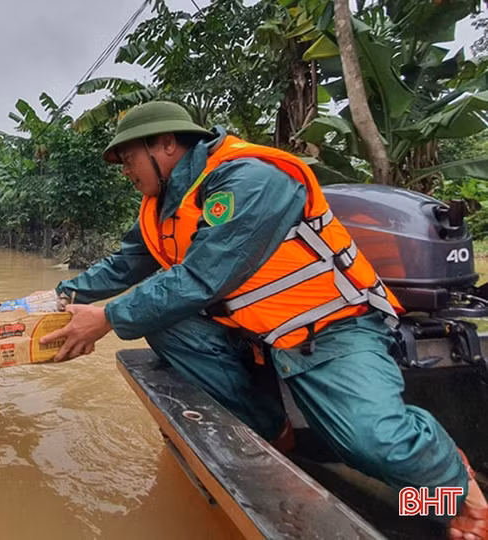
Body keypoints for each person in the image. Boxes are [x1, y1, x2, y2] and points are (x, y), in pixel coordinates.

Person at [41, 101, 487, 538]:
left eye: (129, 158)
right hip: (258, 335)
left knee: (371, 443)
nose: (125, 171)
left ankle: (455, 490)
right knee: (160, 319)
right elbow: (125, 266)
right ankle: (274, 434)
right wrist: (57, 298)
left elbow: (200, 277)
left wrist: (107, 317)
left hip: (332, 332)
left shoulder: (252, 178)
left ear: (166, 145)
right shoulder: (161, 206)